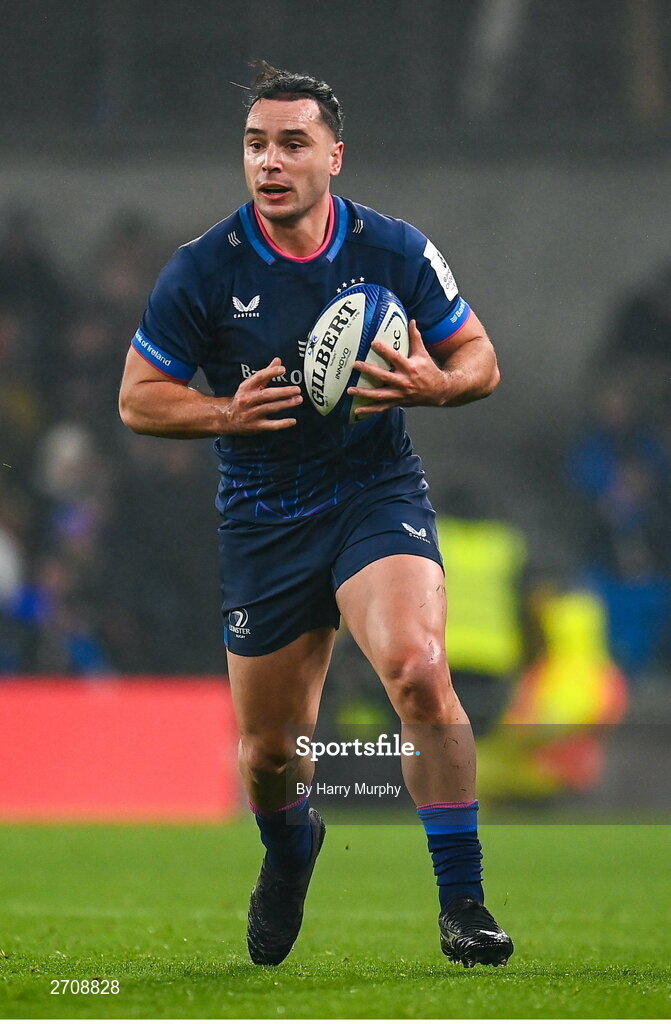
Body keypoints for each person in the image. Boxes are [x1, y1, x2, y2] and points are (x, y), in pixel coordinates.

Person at [119, 62, 513, 969]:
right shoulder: (202, 270)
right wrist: (222, 412)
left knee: (417, 670)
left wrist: (438, 385)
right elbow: (139, 399)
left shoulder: (395, 251)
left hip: (374, 495)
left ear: (335, 155)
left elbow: (481, 357)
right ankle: (291, 851)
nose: (270, 161)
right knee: (268, 754)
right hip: (263, 519)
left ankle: (463, 904)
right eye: (256, 144)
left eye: (292, 143)